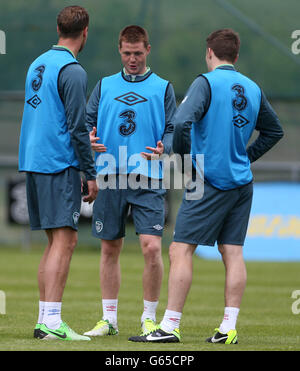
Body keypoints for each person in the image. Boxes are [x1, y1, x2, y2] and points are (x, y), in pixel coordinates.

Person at [128, 28, 284, 344]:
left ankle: (169, 326)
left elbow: (183, 122)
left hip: (209, 180)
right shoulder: (252, 88)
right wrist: (245, 156)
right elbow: (274, 131)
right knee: (233, 252)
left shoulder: (205, 83)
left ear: (209, 53)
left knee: (181, 248)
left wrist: (185, 159)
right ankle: (228, 328)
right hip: (242, 183)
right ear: (236, 57)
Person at [83, 25, 176, 337]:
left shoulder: (163, 87)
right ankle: (109, 320)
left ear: (148, 50)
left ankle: (149, 319)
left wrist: (166, 146)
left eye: (138, 53)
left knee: (151, 248)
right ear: (119, 51)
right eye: (127, 53)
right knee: (110, 248)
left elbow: (174, 128)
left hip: (149, 177)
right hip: (109, 174)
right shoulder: (104, 85)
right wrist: (90, 139)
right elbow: (85, 123)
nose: (132, 58)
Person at [18, 6, 98, 341]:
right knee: (66, 240)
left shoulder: (38, 63)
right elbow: (77, 127)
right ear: (86, 32)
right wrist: (90, 173)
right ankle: (52, 322)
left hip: (33, 160)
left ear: (57, 28)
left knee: (54, 243)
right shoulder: (73, 70)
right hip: (57, 163)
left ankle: (44, 321)